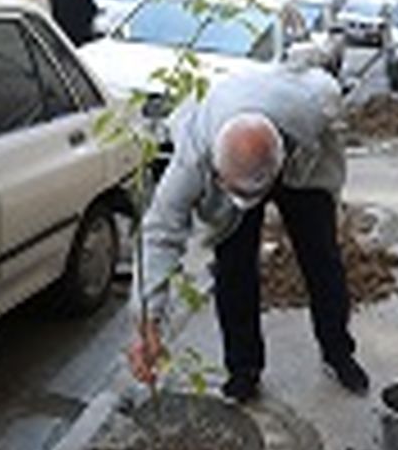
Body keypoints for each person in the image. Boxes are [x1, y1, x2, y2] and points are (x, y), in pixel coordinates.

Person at [126, 65, 371, 402]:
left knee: (322, 258)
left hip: (300, 169)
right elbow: (159, 232)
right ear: (216, 172)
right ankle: (243, 370)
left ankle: (338, 352)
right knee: (234, 268)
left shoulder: (311, 112)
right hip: (233, 139)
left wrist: (331, 199)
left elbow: (325, 81)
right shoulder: (194, 154)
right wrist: (147, 319)